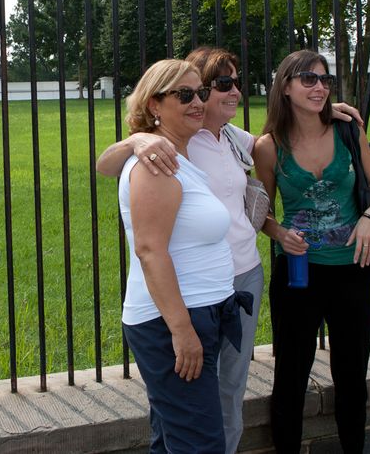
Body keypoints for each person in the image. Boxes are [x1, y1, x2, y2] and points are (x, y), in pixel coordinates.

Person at [98, 47, 361, 453]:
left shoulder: (230, 138)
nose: (231, 91)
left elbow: (281, 142)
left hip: (237, 282)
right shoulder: (167, 149)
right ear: (158, 103)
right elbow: (112, 176)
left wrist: (319, 106)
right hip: (185, 301)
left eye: (230, 84)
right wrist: (137, 140)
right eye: (219, 85)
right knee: (193, 413)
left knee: (225, 391)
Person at [253, 50, 370, 454]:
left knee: (351, 375)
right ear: (286, 86)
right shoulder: (268, 147)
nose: (320, 88)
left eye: (324, 80)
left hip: (353, 269)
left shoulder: (347, 131)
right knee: (291, 376)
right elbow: (262, 213)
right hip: (299, 274)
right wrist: (280, 234)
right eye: (309, 79)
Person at [116, 58, 252, 454]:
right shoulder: (155, 167)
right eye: (185, 94)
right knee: (200, 445)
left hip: (199, 312)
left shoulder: (178, 156)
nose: (198, 102)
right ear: (154, 104)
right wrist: (182, 331)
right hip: (172, 321)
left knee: (174, 440)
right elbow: (150, 250)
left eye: (201, 93)